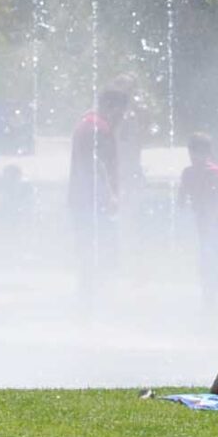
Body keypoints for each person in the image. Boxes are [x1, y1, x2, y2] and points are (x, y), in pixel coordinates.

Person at [70, 84, 133, 286]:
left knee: (89, 249)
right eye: (120, 112)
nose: (122, 118)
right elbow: (96, 164)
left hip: (83, 199)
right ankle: (96, 299)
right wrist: (110, 195)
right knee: (101, 250)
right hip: (95, 200)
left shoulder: (86, 123)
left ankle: (89, 295)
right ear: (109, 106)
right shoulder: (99, 128)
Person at [179, 131, 218, 318]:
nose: (197, 158)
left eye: (200, 153)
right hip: (209, 231)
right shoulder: (189, 174)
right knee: (210, 273)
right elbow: (181, 200)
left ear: (208, 153)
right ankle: (212, 315)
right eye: (194, 153)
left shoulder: (217, 174)